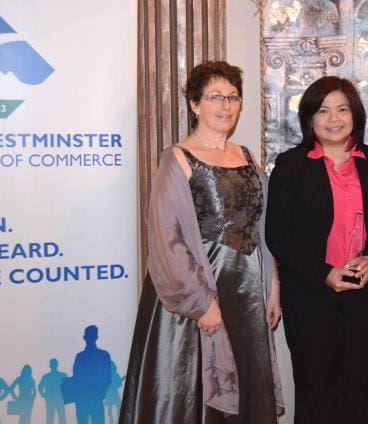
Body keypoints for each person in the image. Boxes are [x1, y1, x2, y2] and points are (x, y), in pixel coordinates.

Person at [120, 60, 284, 424]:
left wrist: (272, 285)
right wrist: (201, 303)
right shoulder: (177, 158)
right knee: (193, 392)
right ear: (194, 104)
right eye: (215, 97)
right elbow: (166, 239)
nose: (226, 106)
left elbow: (261, 226)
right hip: (196, 294)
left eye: (233, 97)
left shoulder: (247, 155)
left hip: (246, 296)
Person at [266, 76, 368, 424]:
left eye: (342, 109)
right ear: (309, 117)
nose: (334, 118)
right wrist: (324, 273)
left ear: (355, 114)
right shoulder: (291, 165)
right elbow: (278, 235)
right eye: (323, 111)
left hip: (365, 299)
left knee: (357, 394)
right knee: (315, 395)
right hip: (310, 299)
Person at [69, 325, 112, 424]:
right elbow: (107, 378)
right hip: (91, 398)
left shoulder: (80, 357)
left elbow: (76, 377)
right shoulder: (104, 355)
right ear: (96, 337)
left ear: (84, 337)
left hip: (87, 398)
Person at [38, 359, 67, 424]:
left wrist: (44, 395)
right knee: (61, 419)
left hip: (52, 400)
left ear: (50, 365)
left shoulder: (46, 377)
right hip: (59, 399)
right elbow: (68, 386)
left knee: (50, 419)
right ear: (57, 365)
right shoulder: (62, 375)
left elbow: (40, 387)